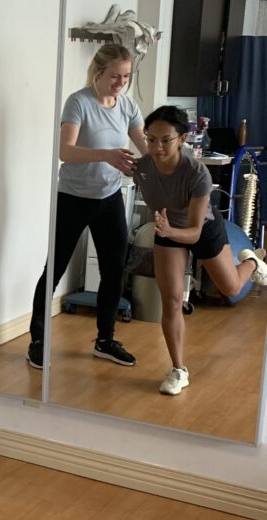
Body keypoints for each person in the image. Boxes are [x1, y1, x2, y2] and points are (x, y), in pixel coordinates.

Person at [28, 43, 147, 370]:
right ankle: (37, 341)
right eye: (114, 76)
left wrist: (164, 161)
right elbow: (66, 151)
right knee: (54, 269)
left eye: (126, 76)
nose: (120, 82)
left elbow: (145, 147)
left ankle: (105, 340)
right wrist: (108, 155)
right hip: (73, 198)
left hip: (109, 199)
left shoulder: (128, 107)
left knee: (113, 271)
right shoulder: (78, 102)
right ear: (98, 73)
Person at [134, 105, 267, 395]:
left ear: (182, 138)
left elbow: (194, 231)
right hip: (167, 228)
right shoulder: (143, 167)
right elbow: (144, 182)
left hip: (202, 229)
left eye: (165, 140)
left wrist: (170, 231)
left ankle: (253, 262)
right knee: (170, 300)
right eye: (150, 139)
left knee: (230, 288)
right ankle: (178, 370)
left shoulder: (196, 174)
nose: (157, 147)